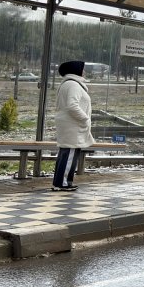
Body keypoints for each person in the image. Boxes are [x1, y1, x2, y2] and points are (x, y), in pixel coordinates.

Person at [52, 60, 93, 192]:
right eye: (82, 69)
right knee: (69, 154)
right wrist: (85, 118)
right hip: (72, 124)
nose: (84, 72)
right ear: (76, 70)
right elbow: (72, 105)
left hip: (69, 124)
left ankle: (60, 182)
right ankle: (63, 183)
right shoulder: (73, 85)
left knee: (66, 153)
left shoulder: (68, 83)